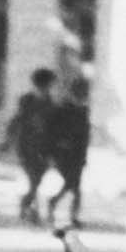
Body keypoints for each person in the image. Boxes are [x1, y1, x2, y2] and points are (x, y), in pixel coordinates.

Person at [7, 71, 59, 225]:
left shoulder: (51, 104)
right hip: (27, 146)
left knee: (37, 180)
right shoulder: (26, 101)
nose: (49, 88)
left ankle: (26, 204)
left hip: (44, 148)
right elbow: (17, 120)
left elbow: (54, 128)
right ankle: (31, 208)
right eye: (48, 84)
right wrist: (8, 139)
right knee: (33, 179)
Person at [43, 85, 92, 230]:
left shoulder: (83, 112)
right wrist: (52, 150)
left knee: (75, 186)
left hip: (77, 156)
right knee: (72, 184)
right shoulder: (62, 111)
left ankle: (70, 214)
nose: (81, 98)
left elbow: (84, 138)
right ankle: (58, 206)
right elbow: (50, 131)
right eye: (79, 95)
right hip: (63, 154)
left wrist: (84, 157)